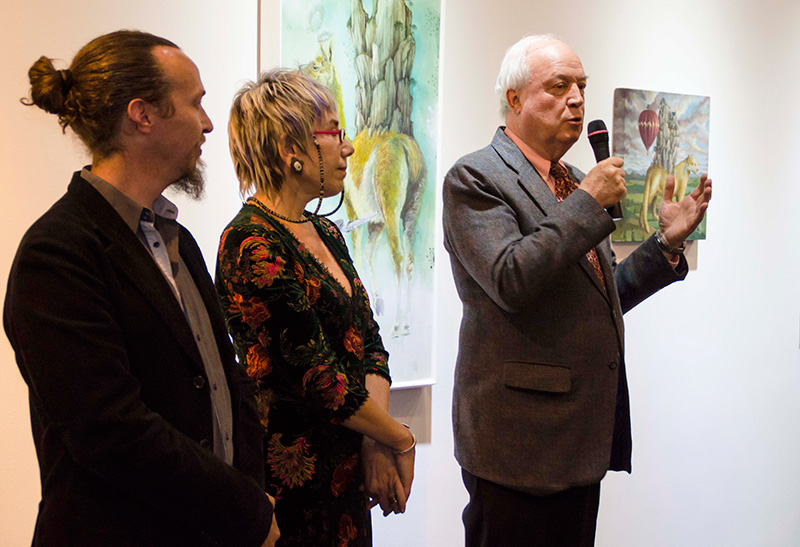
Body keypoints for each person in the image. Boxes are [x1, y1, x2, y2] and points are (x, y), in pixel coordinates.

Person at [4, 30, 279, 547]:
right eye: (195, 103)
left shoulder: (179, 242)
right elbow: (111, 431)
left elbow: (224, 383)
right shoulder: (58, 253)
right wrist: (244, 509)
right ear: (143, 116)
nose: (207, 122)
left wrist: (247, 501)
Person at [442, 34, 712, 547]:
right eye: (559, 85)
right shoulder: (476, 178)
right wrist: (588, 204)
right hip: (518, 447)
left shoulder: (573, 181)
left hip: (579, 439)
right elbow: (511, 277)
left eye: (581, 87)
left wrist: (665, 246)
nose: (576, 100)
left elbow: (600, 294)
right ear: (515, 98)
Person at [216, 68, 415, 546]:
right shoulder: (250, 241)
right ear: (293, 151)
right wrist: (399, 438)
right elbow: (318, 378)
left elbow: (368, 344)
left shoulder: (324, 230)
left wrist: (374, 438)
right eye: (335, 134)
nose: (348, 148)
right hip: (294, 488)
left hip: (349, 474)